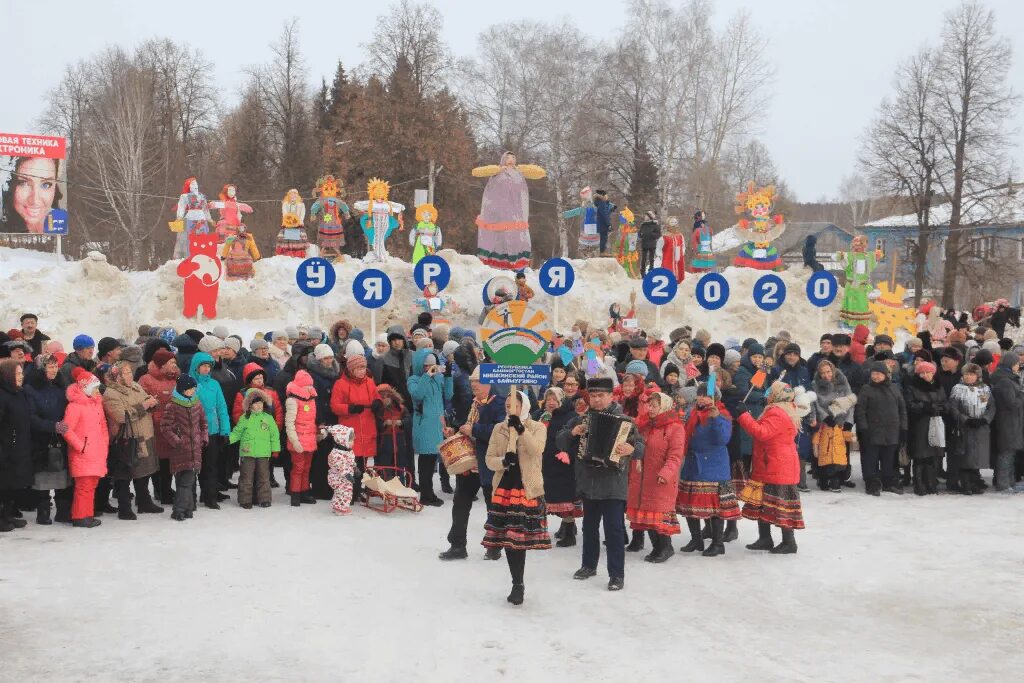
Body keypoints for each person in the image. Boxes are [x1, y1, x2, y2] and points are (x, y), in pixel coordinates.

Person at [557, 377, 644, 591]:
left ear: (611, 396)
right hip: (588, 481)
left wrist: (631, 450)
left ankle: (616, 575)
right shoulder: (581, 419)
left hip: (613, 482)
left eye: (601, 396)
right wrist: (572, 433)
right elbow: (559, 440)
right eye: (593, 396)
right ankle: (588, 565)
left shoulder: (625, 421)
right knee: (589, 527)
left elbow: (641, 446)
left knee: (614, 530)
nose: (596, 400)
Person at [482, 390, 550, 605]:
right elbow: (489, 459)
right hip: (504, 488)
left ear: (524, 406)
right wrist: (503, 461)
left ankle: (518, 583)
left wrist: (521, 430)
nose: (510, 409)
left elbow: (537, 450)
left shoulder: (537, 427)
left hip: (526, 488)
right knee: (509, 539)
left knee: (518, 539)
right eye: (507, 405)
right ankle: (516, 583)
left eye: (515, 405)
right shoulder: (498, 428)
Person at [439, 367, 506, 560]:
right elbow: (467, 426)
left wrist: (474, 429)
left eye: (477, 381)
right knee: (460, 503)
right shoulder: (474, 402)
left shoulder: (499, 404)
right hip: (469, 461)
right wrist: (456, 431)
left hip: (488, 462)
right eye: (472, 382)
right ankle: (457, 545)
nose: (473, 385)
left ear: (488, 383)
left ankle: (494, 547)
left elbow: (501, 431)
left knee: (492, 507)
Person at [733, 381, 805, 554]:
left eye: (770, 392)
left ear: (778, 394)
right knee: (764, 502)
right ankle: (765, 538)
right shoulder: (786, 408)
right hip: (772, 463)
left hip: (776, 464)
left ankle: (789, 542)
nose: (767, 394)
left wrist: (744, 415)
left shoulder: (778, 412)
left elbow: (762, 432)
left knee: (780, 504)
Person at [677, 381, 738, 556]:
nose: (702, 398)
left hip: (714, 466)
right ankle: (696, 540)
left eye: (706, 395)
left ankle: (718, 543)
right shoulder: (692, 413)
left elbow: (723, 439)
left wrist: (716, 418)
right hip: (692, 464)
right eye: (700, 394)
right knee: (690, 505)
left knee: (714, 508)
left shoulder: (723, 414)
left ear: (714, 397)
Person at [626, 392, 685, 563]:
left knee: (659, 515)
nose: (650, 409)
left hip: (660, 478)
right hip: (642, 477)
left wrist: (665, 474)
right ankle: (656, 547)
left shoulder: (675, 427)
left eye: (654, 406)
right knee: (648, 516)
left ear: (664, 406)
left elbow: (675, 456)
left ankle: (666, 547)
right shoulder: (645, 425)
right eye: (649, 405)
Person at [101, 361, 162, 519]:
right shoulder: (111, 393)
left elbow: (144, 401)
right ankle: (124, 507)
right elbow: (122, 416)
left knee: (143, 472)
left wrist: (152, 402)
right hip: (126, 438)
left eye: (130, 372)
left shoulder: (135, 386)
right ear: (118, 376)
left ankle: (144, 501)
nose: (130, 375)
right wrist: (144, 405)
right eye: (126, 373)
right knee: (124, 475)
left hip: (144, 434)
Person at [23, 354, 71, 525]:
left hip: (61, 437)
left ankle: (63, 511)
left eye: (55, 366)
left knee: (62, 474)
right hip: (41, 440)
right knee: (42, 477)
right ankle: (43, 513)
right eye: (50, 366)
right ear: (41, 369)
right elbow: (31, 417)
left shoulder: (61, 386)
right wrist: (52, 426)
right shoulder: (30, 389)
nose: (54, 369)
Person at [330, 354, 381, 503]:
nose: (362, 371)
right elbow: (335, 406)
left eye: (364, 367)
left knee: (364, 463)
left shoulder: (369, 382)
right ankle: (350, 491)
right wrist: (350, 408)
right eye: (359, 368)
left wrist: (377, 402)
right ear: (351, 369)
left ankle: (361, 489)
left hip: (367, 426)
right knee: (351, 463)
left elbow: (376, 396)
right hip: (350, 429)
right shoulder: (340, 384)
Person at [63, 368, 109, 528]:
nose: (98, 391)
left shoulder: (96, 404)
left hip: (96, 452)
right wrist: (80, 446)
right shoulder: (75, 407)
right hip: (83, 453)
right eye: (95, 388)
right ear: (86, 388)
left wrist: (104, 442)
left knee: (91, 485)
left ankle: (87, 514)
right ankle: (80, 516)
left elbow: (102, 426)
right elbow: (65, 429)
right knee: (84, 486)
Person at [534, 387, 581, 547]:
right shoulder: (538, 415)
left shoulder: (570, 417)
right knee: (541, 499)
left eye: (555, 399)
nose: (551, 403)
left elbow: (576, 441)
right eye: (549, 399)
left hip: (562, 465)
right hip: (540, 464)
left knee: (565, 499)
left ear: (561, 401)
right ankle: (541, 531)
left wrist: (569, 453)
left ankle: (569, 532)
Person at [408, 348, 453, 506]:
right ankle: (426, 494)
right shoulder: (413, 379)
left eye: (433, 365)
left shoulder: (437, 379)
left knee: (432, 458)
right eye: (426, 365)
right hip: (424, 425)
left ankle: (429, 493)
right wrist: (427, 376)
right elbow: (417, 394)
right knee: (426, 461)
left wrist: (447, 377)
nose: (430, 368)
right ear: (420, 365)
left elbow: (448, 395)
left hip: (437, 424)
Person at [855, 362, 908, 496]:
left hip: (892, 431)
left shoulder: (894, 388)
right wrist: (863, 429)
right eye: (874, 374)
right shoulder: (866, 389)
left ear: (885, 375)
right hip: (872, 431)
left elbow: (902, 409)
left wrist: (903, 428)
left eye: (879, 374)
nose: (876, 376)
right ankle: (872, 483)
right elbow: (860, 411)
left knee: (889, 459)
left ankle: (888, 482)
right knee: (871, 459)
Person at [161, 375, 207, 521]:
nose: (193, 391)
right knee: (185, 480)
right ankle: (180, 509)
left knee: (187, 480)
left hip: (195, 449)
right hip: (181, 449)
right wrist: (177, 441)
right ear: (182, 389)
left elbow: (203, 423)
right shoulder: (173, 406)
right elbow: (165, 427)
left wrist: (203, 437)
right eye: (190, 389)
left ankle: (185, 508)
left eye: (194, 389)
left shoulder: (197, 403)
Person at [139, 349, 182, 504]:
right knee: (158, 461)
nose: (174, 366)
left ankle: (166, 489)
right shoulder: (146, 379)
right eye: (171, 363)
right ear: (162, 365)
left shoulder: (176, 378)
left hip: (171, 426)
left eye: (175, 363)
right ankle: (161, 491)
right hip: (154, 427)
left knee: (168, 461)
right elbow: (142, 402)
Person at [189, 352, 230, 509]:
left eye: (209, 366)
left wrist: (225, 430)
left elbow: (221, 408)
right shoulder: (188, 383)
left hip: (212, 431)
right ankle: (189, 499)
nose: (206, 369)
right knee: (192, 467)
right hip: (193, 432)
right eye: (203, 366)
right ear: (196, 367)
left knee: (210, 466)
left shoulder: (214, 384)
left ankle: (209, 496)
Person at [946, 363, 995, 495]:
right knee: (965, 457)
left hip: (981, 429)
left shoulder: (985, 388)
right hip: (965, 428)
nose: (968, 377)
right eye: (966, 374)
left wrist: (985, 419)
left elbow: (991, 407)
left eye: (971, 374)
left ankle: (975, 483)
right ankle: (966, 484)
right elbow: (953, 408)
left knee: (977, 457)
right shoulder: (957, 389)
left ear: (977, 376)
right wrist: (965, 419)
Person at [229, 389, 279, 508]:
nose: (259, 405)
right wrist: (228, 439)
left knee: (264, 477)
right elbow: (237, 432)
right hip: (248, 452)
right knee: (246, 477)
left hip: (263, 453)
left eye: (261, 403)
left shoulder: (268, 418)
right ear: (250, 405)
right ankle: (245, 499)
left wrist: (275, 449)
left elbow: (274, 435)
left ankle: (265, 498)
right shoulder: (245, 418)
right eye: (256, 403)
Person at [903, 361, 947, 496]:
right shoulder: (912, 387)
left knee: (934, 455)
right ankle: (919, 484)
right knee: (920, 455)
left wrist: (942, 408)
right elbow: (910, 405)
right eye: (923, 373)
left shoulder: (938, 386)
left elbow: (945, 401)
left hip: (936, 422)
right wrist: (925, 407)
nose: (926, 375)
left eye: (928, 372)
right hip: (920, 424)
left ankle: (931, 483)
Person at [811, 361, 856, 492]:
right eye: (823, 373)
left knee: (840, 451)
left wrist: (849, 421)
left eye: (828, 371)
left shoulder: (842, 381)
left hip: (841, 422)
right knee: (823, 450)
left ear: (833, 370)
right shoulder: (815, 384)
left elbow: (850, 400)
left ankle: (840, 477)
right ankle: (822, 477)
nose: (826, 375)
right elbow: (816, 404)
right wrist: (825, 417)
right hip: (825, 423)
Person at [0, 359, 33, 532]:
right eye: (17, 373)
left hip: (18, 446)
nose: (21, 376)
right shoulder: (2, 394)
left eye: (21, 373)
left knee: (11, 484)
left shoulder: (18, 393)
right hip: (5, 448)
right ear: (7, 375)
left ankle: (7, 514)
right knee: (2, 483)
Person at [1, 156, 63, 233]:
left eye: (46, 184)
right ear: (8, 184)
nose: (35, 200)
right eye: (23, 183)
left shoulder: (60, 221)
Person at [989, 353, 1024, 492]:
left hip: (1010, 421)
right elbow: (1011, 403)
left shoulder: (1006, 378)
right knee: (1006, 453)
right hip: (1007, 422)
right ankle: (1004, 484)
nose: (1018, 366)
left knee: (1010, 452)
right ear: (1010, 364)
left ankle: (1009, 482)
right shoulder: (1005, 381)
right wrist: (1022, 394)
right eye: (1016, 364)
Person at [284, 370, 318, 506]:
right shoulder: (292, 401)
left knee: (307, 467)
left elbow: (312, 421)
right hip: (297, 439)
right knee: (298, 468)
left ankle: (304, 491)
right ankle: (295, 493)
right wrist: (294, 441)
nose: (309, 388)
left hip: (310, 438)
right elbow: (289, 423)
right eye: (306, 386)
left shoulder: (311, 400)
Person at [638, 211, 662, 277]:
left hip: (652, 244)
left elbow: (659, 234)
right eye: (645, 216)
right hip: (644, 244)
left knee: (651, 259)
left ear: (650, 217)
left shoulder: (655, 225)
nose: (645, 217)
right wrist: (640, 234)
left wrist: (652, 234)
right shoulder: (643, 225)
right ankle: (642, 272)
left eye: (646, 216)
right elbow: (640, 233)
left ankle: (651, 271)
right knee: (644, 259)